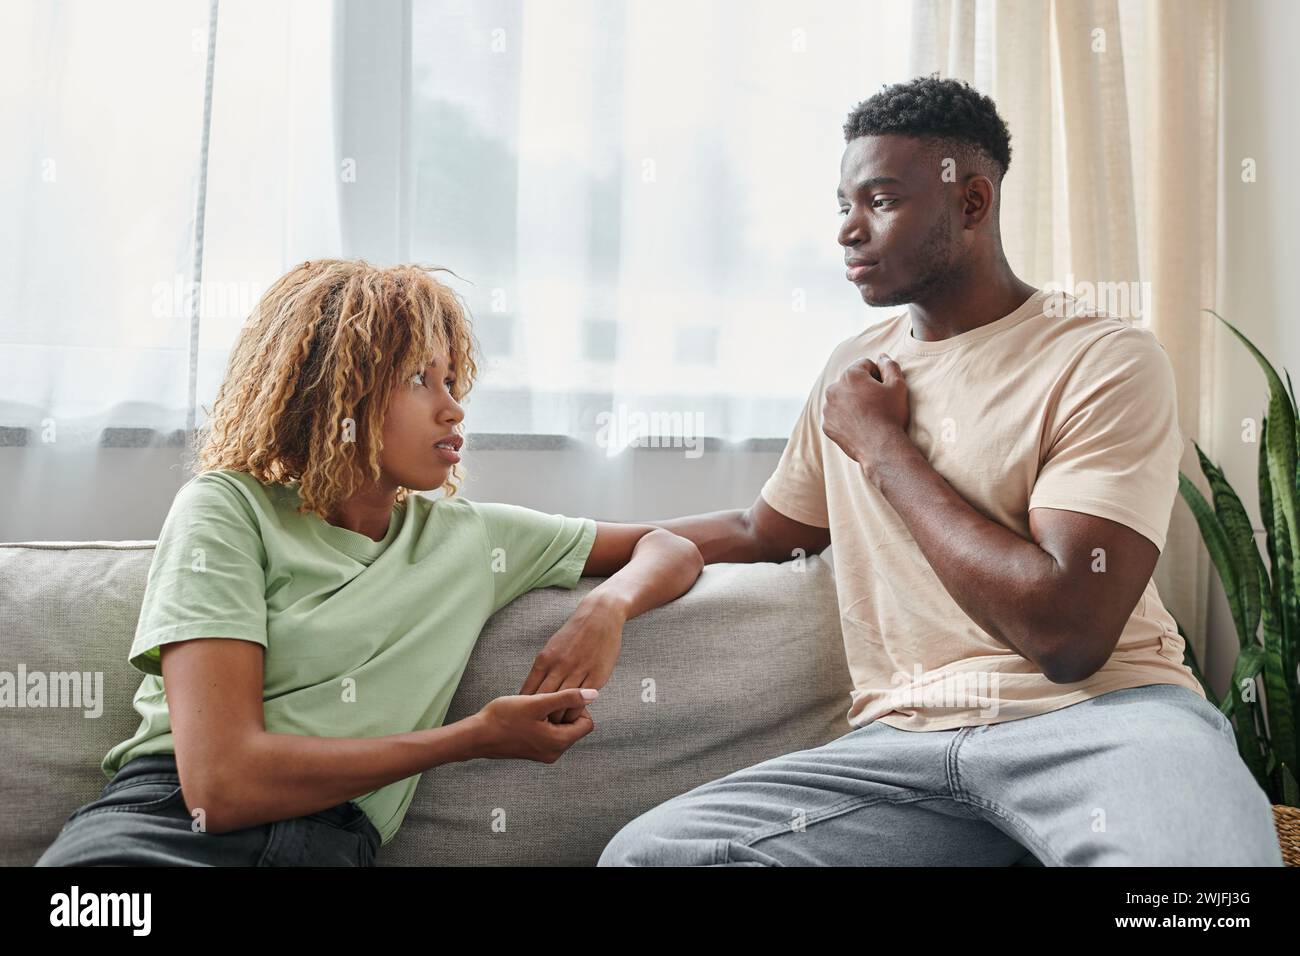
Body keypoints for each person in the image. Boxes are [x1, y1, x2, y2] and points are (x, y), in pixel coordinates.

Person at [598, 75, 1284, 866]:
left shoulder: (1102, 358)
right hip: (900, 750)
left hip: (1103, 719)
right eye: (843, 205)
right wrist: (553, 551)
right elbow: (763, 530)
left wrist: (885, 450)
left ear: (973, 202)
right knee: (651, 855)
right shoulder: (851, 369)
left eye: (882, 201)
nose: (850, 231)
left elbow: (1068, 633)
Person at [36, 258, 703, 866]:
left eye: (450, 378)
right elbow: (223, 784)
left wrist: (608, 606)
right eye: (419, 378)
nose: (453, 404)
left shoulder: (475, 539)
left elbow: (678, 543)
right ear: (337, 389)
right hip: (161, 832)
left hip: (331, 847)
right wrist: (473, 738)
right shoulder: (227, 510)